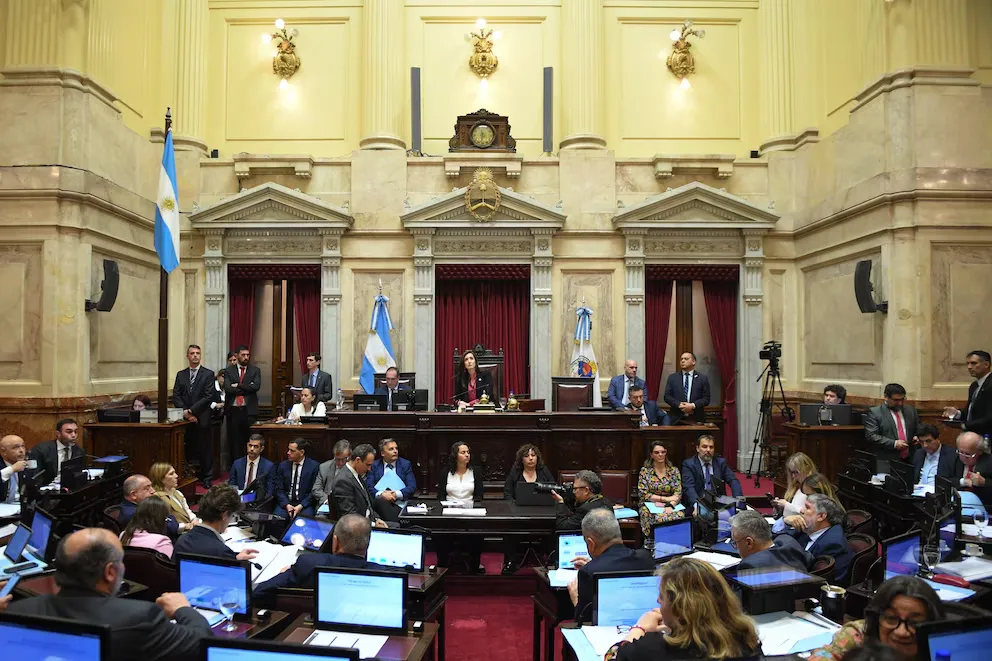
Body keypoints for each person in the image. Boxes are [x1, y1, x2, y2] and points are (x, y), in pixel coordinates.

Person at [7, 528, 213, 661]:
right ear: (110, 572)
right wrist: (182, 609)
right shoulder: (140, 617)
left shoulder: (16, 612)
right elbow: (201, 642)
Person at [604, 557, 761, 661]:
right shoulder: (746, 639)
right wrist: (679, 627)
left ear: (680, 608)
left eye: (662, 596)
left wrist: (639, 628)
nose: (658, 600)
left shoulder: (651, 649)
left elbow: (611, 656)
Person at [809, 575, 945, 661]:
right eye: (891, 618)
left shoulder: (945, 644)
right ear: (876, 618)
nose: (901, 632)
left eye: (914, 622)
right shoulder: (857, 634)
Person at [253, 514, 386, 601]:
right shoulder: (383, 574)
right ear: (368, 543)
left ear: (335, 541)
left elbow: (259, 592)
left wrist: (284, 574)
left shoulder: (308, 564)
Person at [569, 509, 654, 624]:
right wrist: (594, 564)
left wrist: (575, 598)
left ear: (591, 543)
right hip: (646, 627)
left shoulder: (588, 572)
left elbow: (584, 620)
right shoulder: (646, 558)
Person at [501, 444, 556, 575]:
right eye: (527, 456)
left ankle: (552, 561)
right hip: (519, 514)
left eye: (533, 455)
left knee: (555, 526)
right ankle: (510, 562)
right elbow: (507, 493)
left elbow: (553, 489)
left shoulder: (544, 471)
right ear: (521, 459)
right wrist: (513, 505)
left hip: (542, 514)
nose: (531, 458)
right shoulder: (515, 472)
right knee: (508, 529)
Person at [173, 485, 259, 562]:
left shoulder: (182, 541)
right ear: (224, 515)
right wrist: (232, 558)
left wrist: (234, 557)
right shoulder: (221, 552)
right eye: (232, 515)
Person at [173, 345, 217, 489]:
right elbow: (176, 395)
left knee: (205, 449)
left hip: (202, 417)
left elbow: (208, 396)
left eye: (198, 353)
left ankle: (207, 478)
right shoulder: (181, 374)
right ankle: (187, 476)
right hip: (185, 419)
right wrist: (185, 412)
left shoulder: (208, 374)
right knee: (186, 448)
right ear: (187, 356)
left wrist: (192, 410)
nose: (195, 356)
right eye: (192, 353)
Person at [437, 442, 485, 572]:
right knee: (439, 532)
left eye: (468, 452)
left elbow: (479, 495)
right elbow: (440, 496)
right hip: (449, 512)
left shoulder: (476, 472)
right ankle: (442, 564)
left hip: (470, 512)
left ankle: (474, 565)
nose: (467, 455)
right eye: (463, 452)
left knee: (478, 532)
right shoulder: (445, 472)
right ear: (455, 455)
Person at [788, 494, 853, 584]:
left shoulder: (833, 545)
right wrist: (785, 521)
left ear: (821, 516)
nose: (802, 511)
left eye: (807, 507)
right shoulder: (804, 530)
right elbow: (777, 542)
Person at [730, 510, 811, 571]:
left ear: (749, 543)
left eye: (735, 542)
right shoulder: (789, 542)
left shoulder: (750, 565)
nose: (735, 547)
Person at [864, 383, 920, 471]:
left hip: (910, 458)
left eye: (902, 399)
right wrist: (894, 443)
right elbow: (871, 435)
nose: (900, 403)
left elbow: (918, 428)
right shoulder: (875, 413)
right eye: (896, 400)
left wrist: (917, 436)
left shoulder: (911, 410)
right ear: (886, 397)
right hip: (887, 459)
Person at [680, 434, 742, 511]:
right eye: (704, 447)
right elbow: (689, 487)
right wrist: (697, 505)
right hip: (699, 501)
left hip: (718, 502)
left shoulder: (721, 463)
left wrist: (738, 500)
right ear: (697, 448)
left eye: (711, 447)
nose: (708, 450)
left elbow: (733, 480)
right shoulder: (689, 464)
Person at [333, 443, 387, 527]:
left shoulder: (357, 474)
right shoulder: (343, 480)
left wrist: (376, 519)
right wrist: (373, 524)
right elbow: (349, 516)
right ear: (358, 460)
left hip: (369, 521)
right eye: (368, 465)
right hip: (358, 529)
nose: (369, 469)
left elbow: (368, 504)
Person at [637, 440, 685, 536]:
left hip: (671, 505)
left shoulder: (674, 471)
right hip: (650, 505)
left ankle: (675, 542)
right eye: (656, 452)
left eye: (663, 452)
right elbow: (644, 494)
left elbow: (678, 493)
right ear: (651, 455)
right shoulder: (645, 471)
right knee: (655, 517)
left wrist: (670, 505)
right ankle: (652, 542)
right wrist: (666, 499)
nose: (660, 455)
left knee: (678, 516)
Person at [223, 345, 261, 461]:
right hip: (233, 410)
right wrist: (247, 387)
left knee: (249, 440)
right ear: (237, 355)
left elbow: (256, 387)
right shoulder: (229, 371)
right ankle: (235, 465)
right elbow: (228, 389)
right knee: (234, 441)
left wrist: (238, 385)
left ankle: (250, 464)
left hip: (249, 411)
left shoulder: (255, 370)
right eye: (243, 355)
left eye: (248, 355)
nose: (246, 357)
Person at [365, 438, 416, 522]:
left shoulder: (405, 464)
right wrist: (382, 494)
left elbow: (412, 487)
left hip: (400, 504)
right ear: (382, 453)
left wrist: (396, 494)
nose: (395, 451)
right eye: (391, 449)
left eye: (396, 448)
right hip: (380, 504)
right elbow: (369, 486)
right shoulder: (374, 465)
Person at [943, 350, 992, 437]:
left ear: (986, 364)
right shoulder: (974, 386)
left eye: (973, 363)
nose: (969, 367)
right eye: (968, 363)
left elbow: (989, 417)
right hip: (973, 435)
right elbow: (971, 412)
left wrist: (965, 426)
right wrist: (957, 413)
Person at [776, 472, 842, 533]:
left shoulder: (830, 517)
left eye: (809, 495)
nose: (806, 500)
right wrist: (785, 520)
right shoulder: (815, 509)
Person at [273, 438, 320, 519]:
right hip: (286, 502)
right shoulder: (283, 466)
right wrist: (287, 505)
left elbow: (314, 491)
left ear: (301, 452)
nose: (288, 453)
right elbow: (278, 489)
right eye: (288, 450)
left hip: (304, 504)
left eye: (292, 451)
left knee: (307, 520)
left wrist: (301, 506)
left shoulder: (314, 467)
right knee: (276, 519)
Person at [29, 418, 83, 484]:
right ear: (58, 433)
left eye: (75, 432)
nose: (74, 435)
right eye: (69, 432)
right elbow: (35, 476)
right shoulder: (42, 450)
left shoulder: (78, 451)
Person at [150, 463, 199, 533]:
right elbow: (162, 523)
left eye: (175, 472)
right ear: (160, 478)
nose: (176, 476)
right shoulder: (156, 498)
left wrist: (194, 519)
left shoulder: (177, 492)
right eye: (171, 474)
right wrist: (184, 526)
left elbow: (187, 510)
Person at [953, 431, 992, 509]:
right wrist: (963, 482)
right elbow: (945, 480)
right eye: (961, 452)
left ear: (980, 451)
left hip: (982, 507)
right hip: (956, 505)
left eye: (968, 454)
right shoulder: (955, 458)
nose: (963, 457)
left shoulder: (989, 462)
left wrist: (984, 482)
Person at [773, 452, 817, 518]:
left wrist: (786, 504)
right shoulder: (796, 486)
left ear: (807, 468)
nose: (793, 476)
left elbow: (810, 513)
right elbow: (791, 511)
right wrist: (779, 506)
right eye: (791, 472)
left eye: (796, 472)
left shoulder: (814, 487)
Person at [313, 439, 351, 508]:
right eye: (337, 459)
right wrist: (327, 500)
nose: (340, 463)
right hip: (327, 504)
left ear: (349, 456)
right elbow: (316, 489)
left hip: (348, 505)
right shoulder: (324, 467)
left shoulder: (355, 468)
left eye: (343, 459)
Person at [0, 434, 28, 504]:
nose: (21, 450)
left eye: (23, 446)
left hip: (18, 505)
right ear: (3, 451)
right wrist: (11, 469)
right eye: (16, 447)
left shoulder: (25, 463)